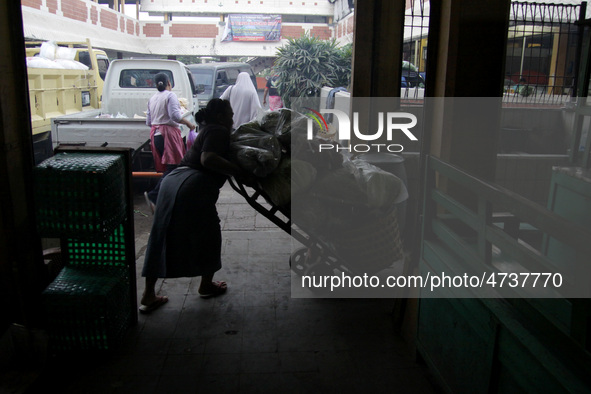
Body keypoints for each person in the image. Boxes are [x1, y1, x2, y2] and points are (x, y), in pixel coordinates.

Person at [139, 99, 246, 314]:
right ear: (220, 117)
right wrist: (237, 170)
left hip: (172, 183)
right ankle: (206, 284)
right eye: (230, 114)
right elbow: (208, 159)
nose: (232, 118)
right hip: (192, 185)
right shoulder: (218, 131)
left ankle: (148, 294)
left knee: (161, 235)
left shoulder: (207, 128)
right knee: (209, 234)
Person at [144, 72, 196, 214]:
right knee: (174, 167)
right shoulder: (170, 96)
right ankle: (154, 196)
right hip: (167, 135)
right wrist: (189, 124)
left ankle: (163, 197)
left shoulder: (152, 98)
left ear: (156, 84)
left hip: (156, 135)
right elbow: (175, 116)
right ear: (169, 83)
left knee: (170, 167)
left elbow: (148, 121)